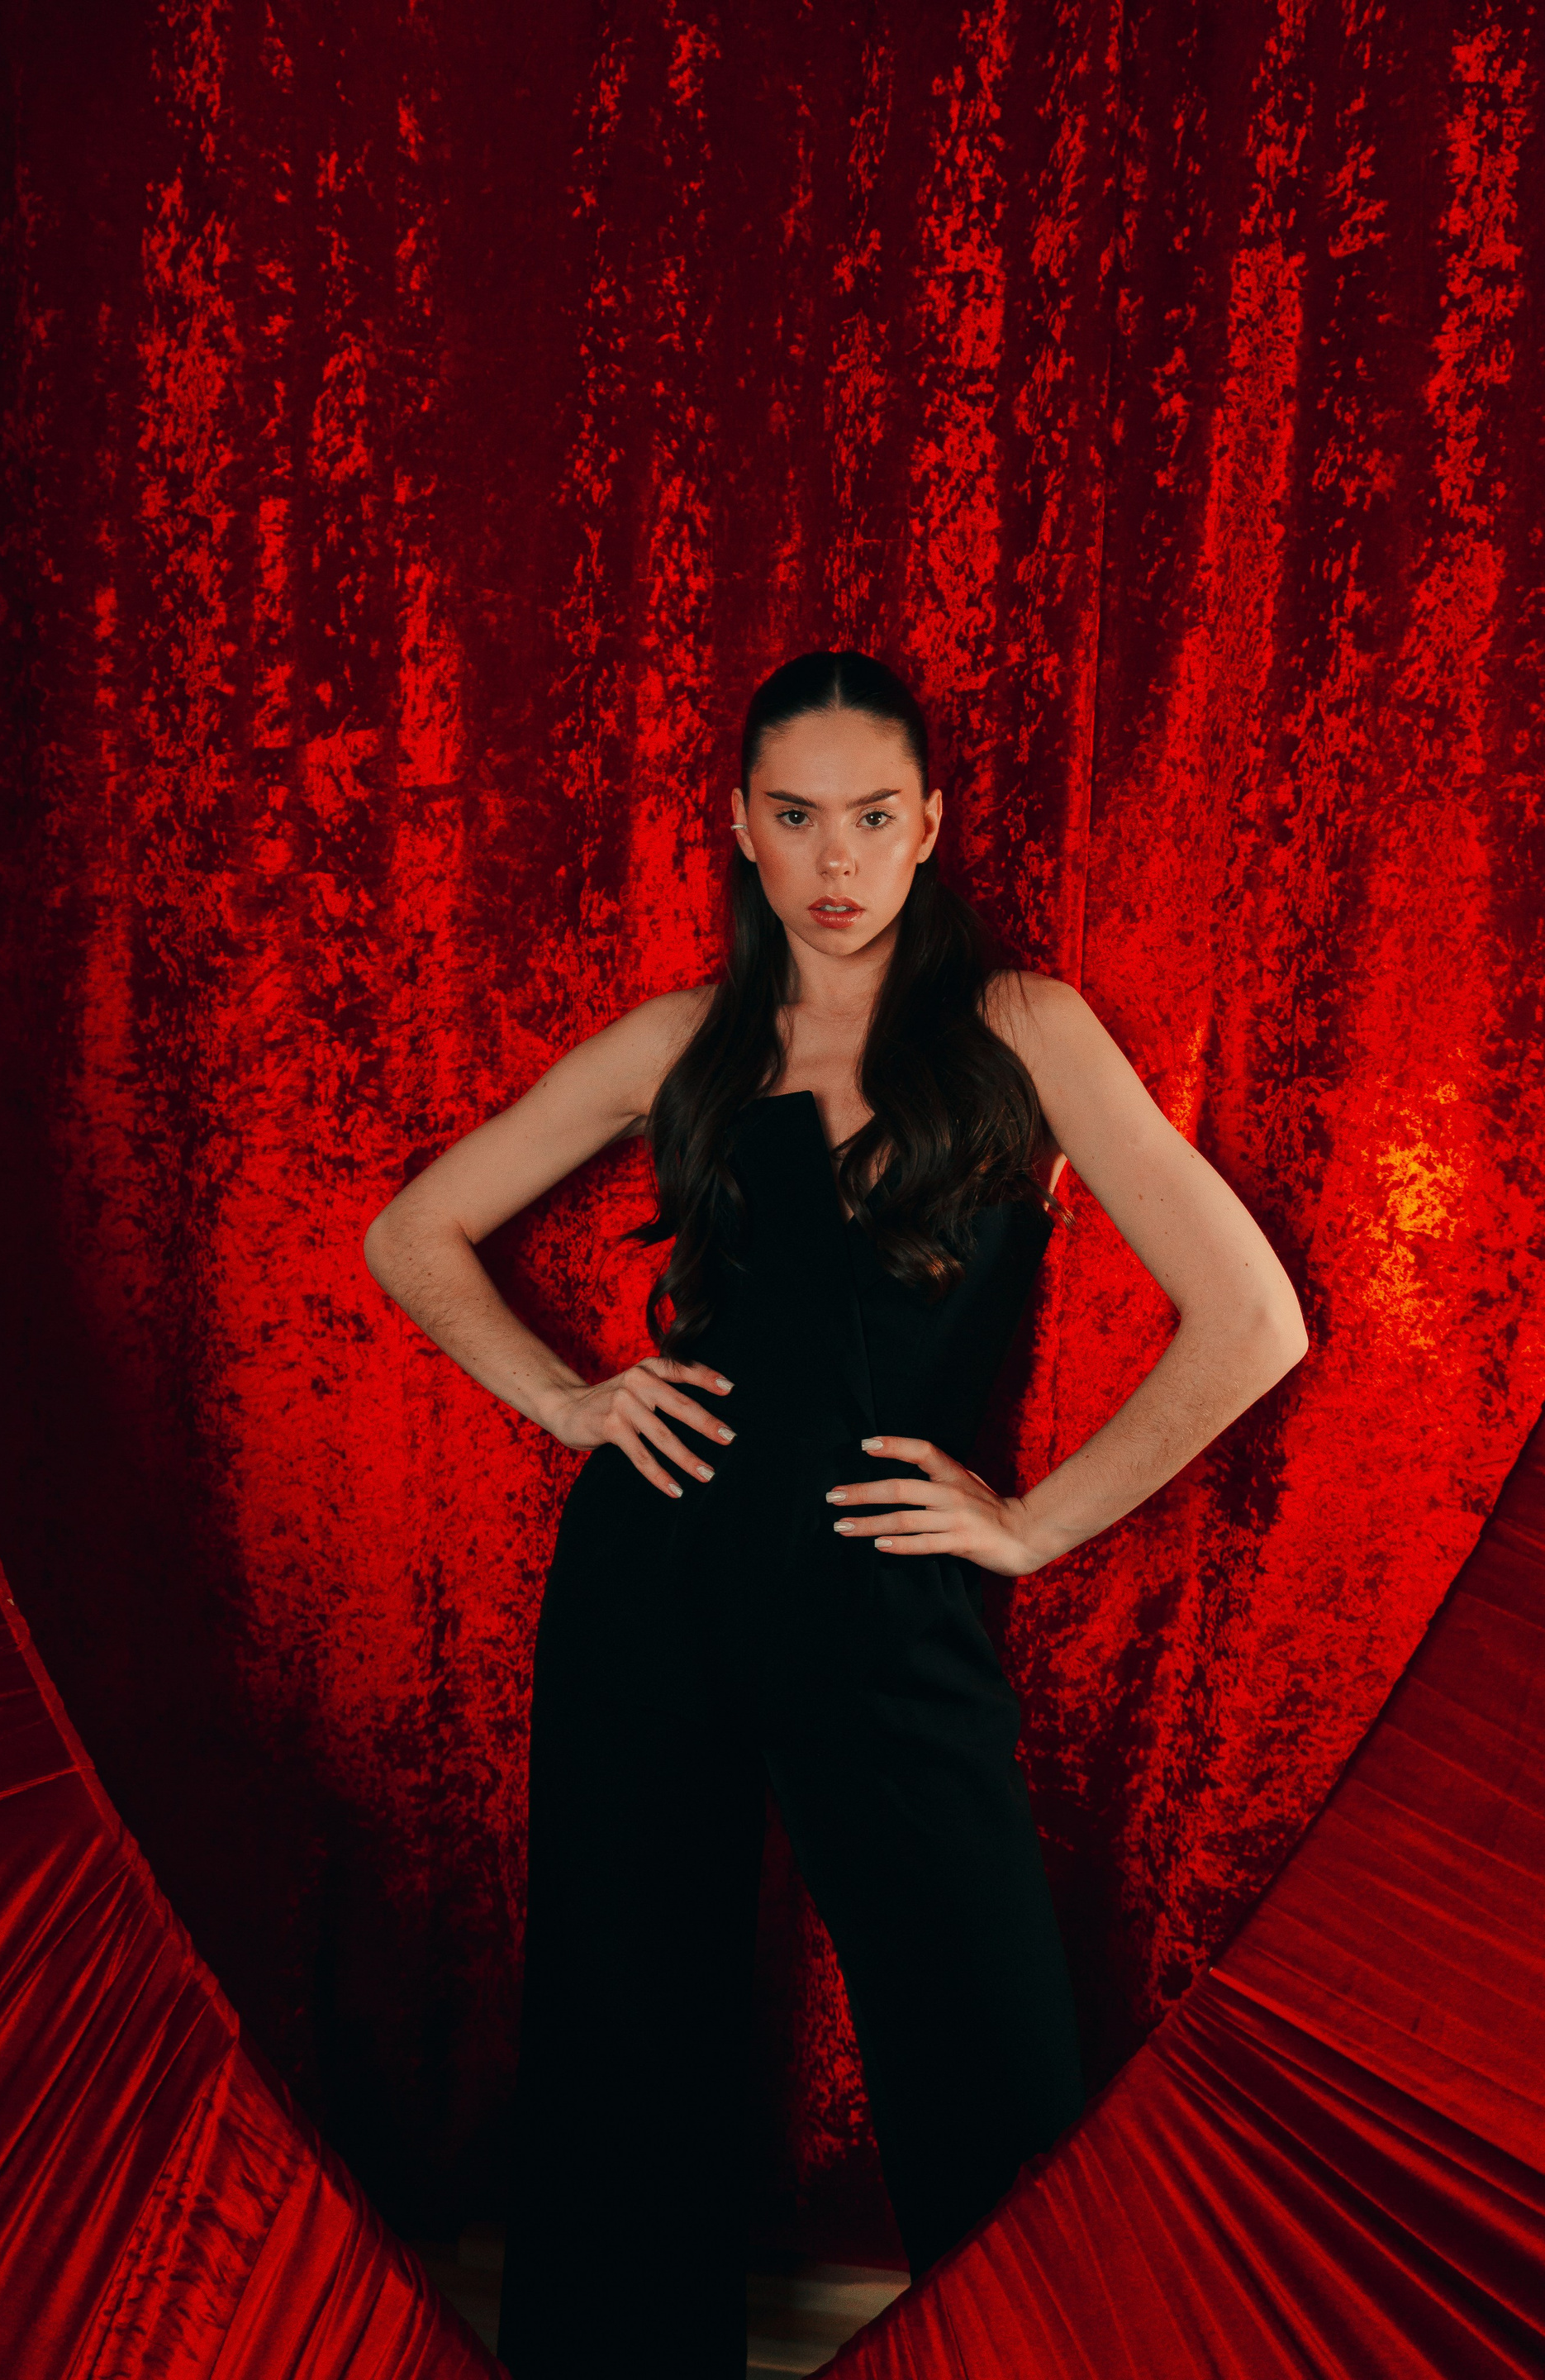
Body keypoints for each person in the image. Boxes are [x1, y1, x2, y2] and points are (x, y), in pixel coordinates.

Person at [363, 650, 1308, 2379]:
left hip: (884, 1600)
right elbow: (412, 1231)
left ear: (931, 825)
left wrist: (1032, 1525)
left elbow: (1253, 1319)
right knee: (623, 2058)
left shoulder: (1023, 1028)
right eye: (796, 818)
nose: (837, 860)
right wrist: (571, 1401)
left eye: (873, 817)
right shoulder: (685, 1042)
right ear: (741, 827)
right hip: (655, 1583)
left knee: (996, 2067)